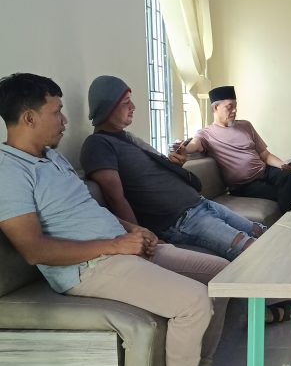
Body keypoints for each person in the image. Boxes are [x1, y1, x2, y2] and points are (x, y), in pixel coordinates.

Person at [0, 73, 230, 366]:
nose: (65, 121)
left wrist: (133, 230)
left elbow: (90, 209)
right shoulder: (9, 172)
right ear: (29, 118)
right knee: (194, 301)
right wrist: (116, 245)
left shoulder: (52, 157)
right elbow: (34, 250)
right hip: (87, 268)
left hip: (121, 247)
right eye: (56, 112)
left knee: (223, 275)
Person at [80, 76, 265, 261]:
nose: (133, 107)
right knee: (251, 248)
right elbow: (115, 197)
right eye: (127, 102)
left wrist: (176, 164)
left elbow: (155, 174)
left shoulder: (129, 139)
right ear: (108, 106)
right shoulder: (97, 144)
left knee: (260, 232)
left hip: (200, 203)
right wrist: (140, 235)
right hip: (182, 220)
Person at [180, 86, 291, 213]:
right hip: (244, 185)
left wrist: (282, 164)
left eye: (235, 106)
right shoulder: (205, 133)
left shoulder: (246, 125)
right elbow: (194, 145)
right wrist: (183, 148)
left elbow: (265, 154)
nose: (234, 111)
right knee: (287, 192)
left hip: (265, 171)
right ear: (216, 108)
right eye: (230, 107)